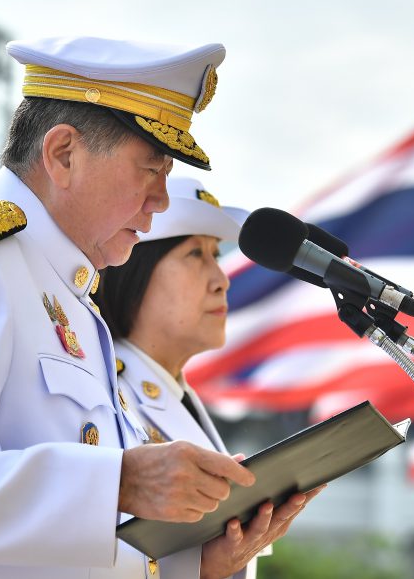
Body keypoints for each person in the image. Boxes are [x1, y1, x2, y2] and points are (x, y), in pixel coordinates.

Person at [0, 36, 282, 578]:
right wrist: (118, 482)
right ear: (63, 153)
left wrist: (196, 565)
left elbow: (76, 542)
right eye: (150, 168)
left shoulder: (67, 289)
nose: (161, 199)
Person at [95, 176, 325, 578]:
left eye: (216, 254)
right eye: (194, 254)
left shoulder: (177, 398)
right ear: (134, 270)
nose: (222, 279)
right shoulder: (102, 395)